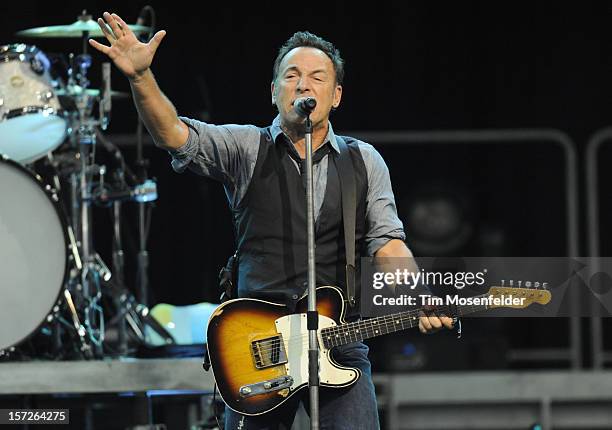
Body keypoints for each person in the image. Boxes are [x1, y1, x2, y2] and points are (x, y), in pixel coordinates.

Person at [90, 12, 454, 429]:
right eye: (292, 75)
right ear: (274, 90)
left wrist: (417, 292)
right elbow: (173, 134)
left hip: (338, 342)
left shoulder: (363, 161)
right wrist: (140, 77)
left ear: (335, 95)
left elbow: (387, 243)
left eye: (318, 77)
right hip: (256, 346)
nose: (304, 84)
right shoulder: (246, 147)